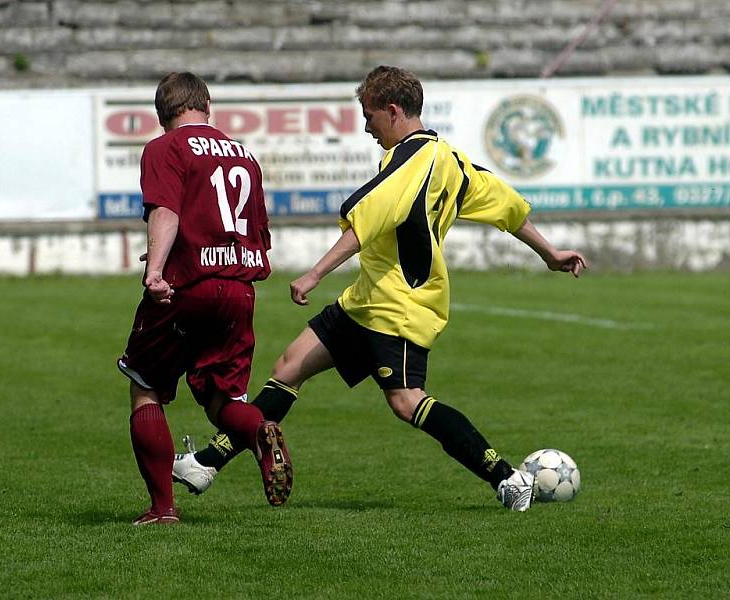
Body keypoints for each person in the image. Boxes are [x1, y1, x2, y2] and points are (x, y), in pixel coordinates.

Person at [173, 65, 587, 512]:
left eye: (369, 116)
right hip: (364, 302)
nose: (367, 128)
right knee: (290, 366)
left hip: (399, 306)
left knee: (407, 402)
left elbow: (367, 218)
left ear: (393, 111)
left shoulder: (410, 161)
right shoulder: (450, 159)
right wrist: (549, 252)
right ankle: (206, 463)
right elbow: (508, 206)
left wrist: (315, 273)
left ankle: (507, 478)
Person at [118, 72, 292, 526]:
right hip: (238, 290)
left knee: (146, 389)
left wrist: (155, 269)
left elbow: (167, 210)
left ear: (163, 114)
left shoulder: (165, 147)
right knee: (222, 399)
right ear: (207, 105)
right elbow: (257, 231)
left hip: (186, 288)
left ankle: (162, 509)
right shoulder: (244, 155)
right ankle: (260, 432)